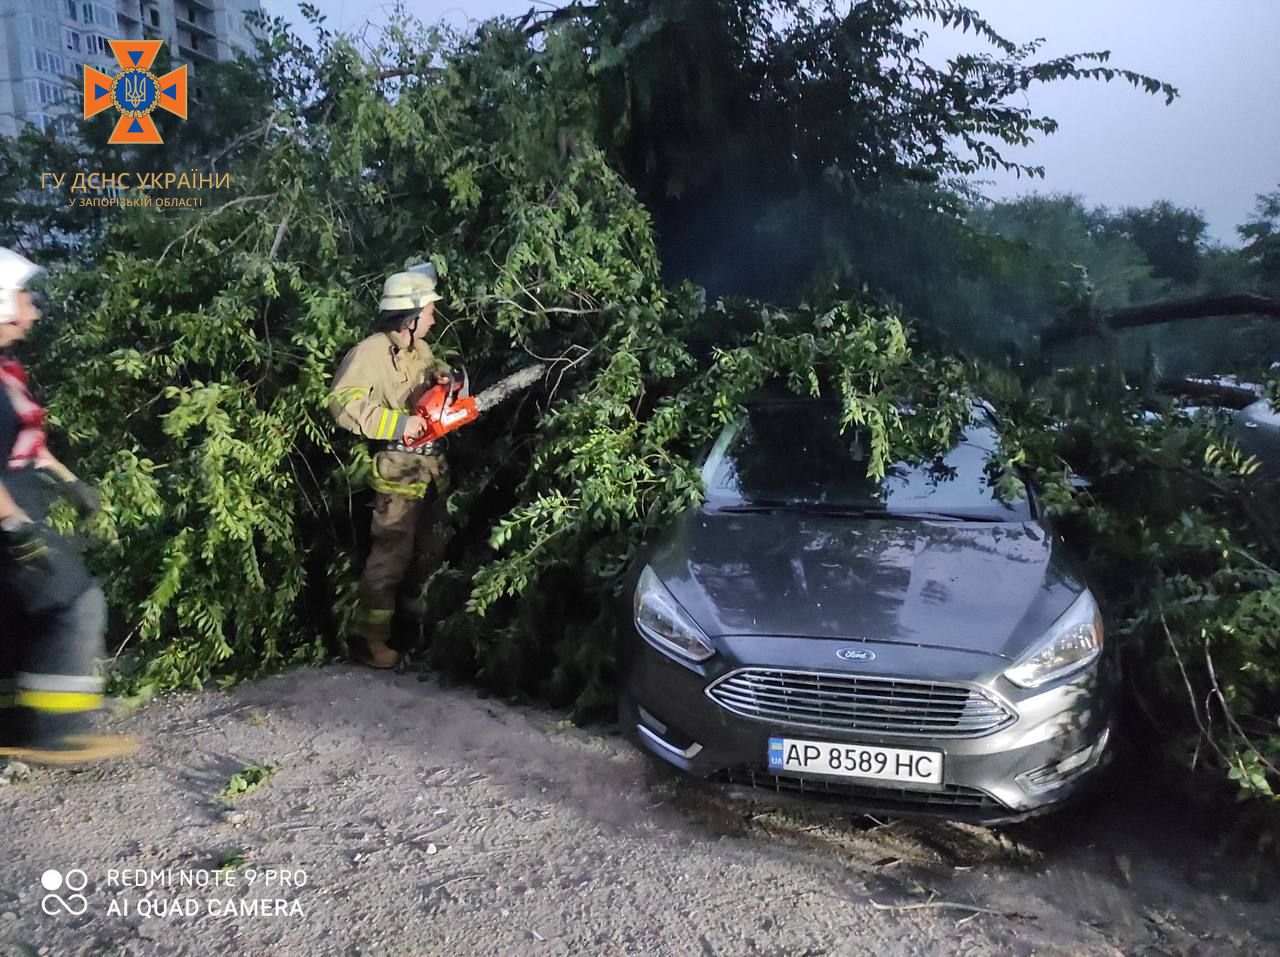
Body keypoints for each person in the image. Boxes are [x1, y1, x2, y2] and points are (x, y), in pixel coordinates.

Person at [0, 247, 134, 764]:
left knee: (15, 613)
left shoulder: (7, 371)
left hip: (18, 498)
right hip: (7, 510)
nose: (32, 310)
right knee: (73, 602)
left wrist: (70, 481)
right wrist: (13, 526)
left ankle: (15, 721)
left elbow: (27, 441)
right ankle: (55, 731)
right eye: (23, 297)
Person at [328, 264, 455, 669]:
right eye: (430, 311)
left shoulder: (420, 350)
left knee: (428, 552)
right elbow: (342, 403)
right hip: (399, 468)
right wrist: (398, 422)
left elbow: (424, 393)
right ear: (411, 318)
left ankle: (414, 633)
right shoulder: (369, 352)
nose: (435, 317)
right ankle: (370, 640)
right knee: (391, 556)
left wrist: (440, 381)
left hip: (432, 466)